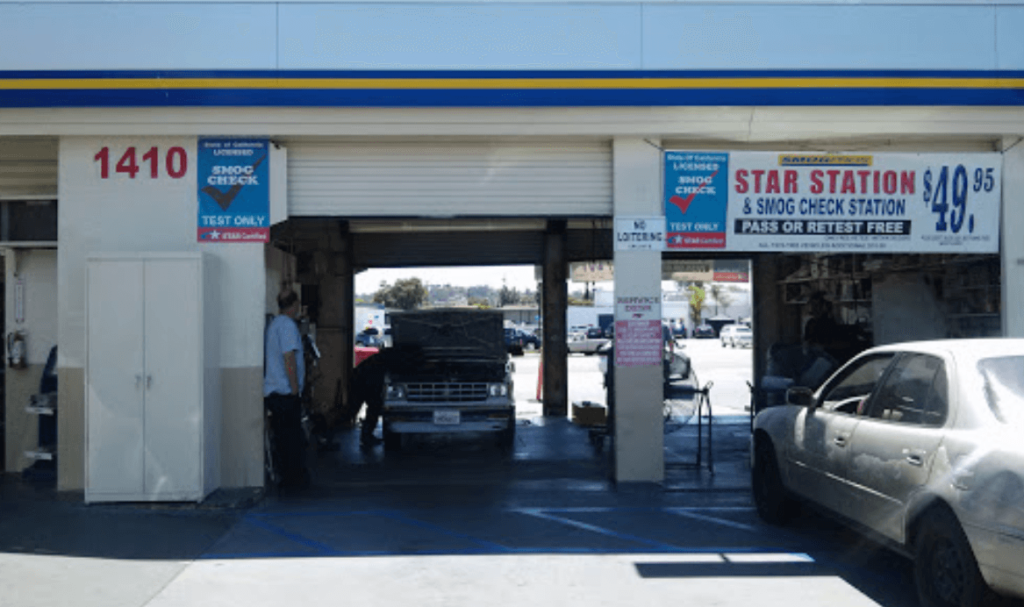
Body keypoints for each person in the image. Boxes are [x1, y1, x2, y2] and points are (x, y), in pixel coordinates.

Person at [264, 289, 310, 488]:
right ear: (295, 305)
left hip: (274, 393)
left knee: (283, 438)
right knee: (292, 439)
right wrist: (294, 389)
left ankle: (287, 477)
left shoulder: (274, 324)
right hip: (285, 393)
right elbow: (288, 357)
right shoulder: (287, 326)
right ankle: (294, 479)